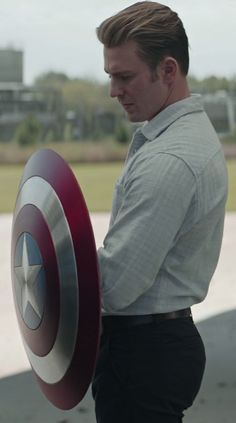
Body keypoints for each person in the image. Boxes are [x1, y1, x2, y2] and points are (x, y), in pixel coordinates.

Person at [92, 2, 228, 422]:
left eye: (125, 76)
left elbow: (115, 285)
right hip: (156, 346)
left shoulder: (170, 158)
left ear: (168, 70)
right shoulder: (183, 135)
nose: (115, 90)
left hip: (144, 356)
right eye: (111, 76)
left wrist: (51, 261)